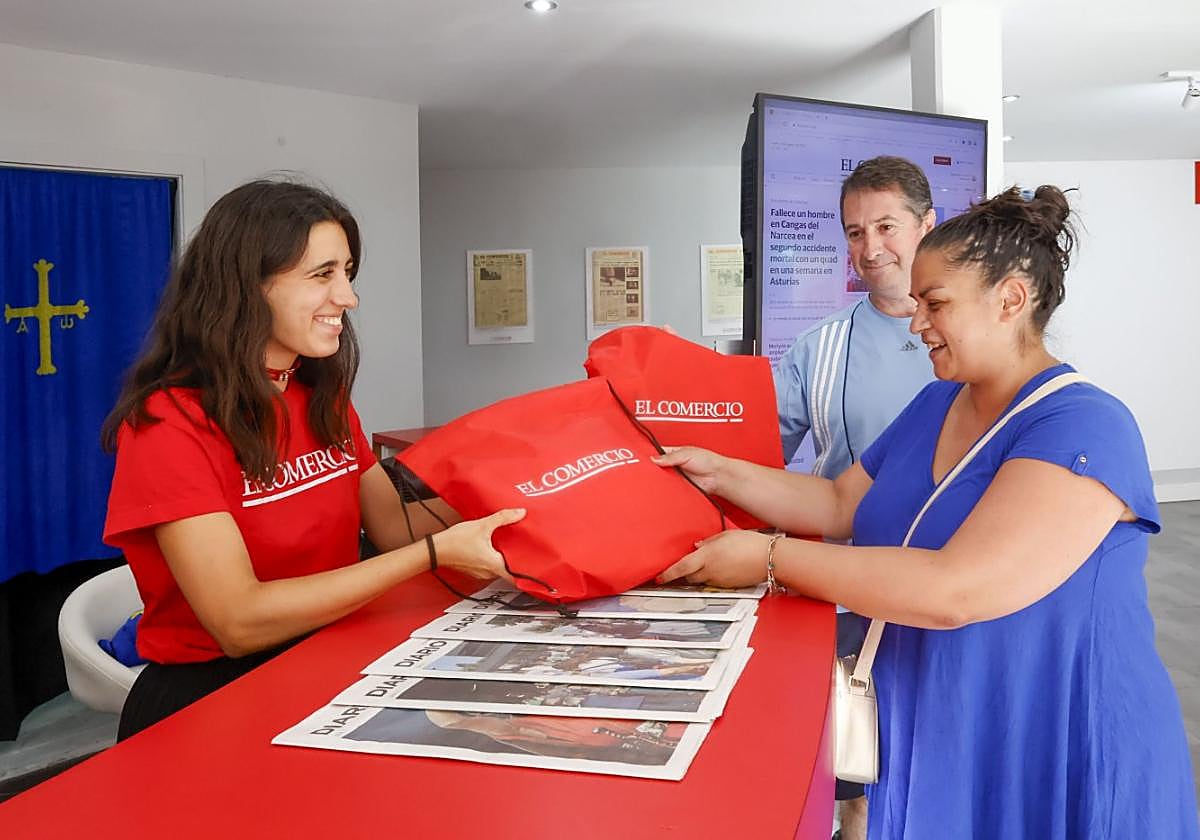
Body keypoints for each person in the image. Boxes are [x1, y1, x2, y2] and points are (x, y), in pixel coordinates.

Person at [655, 186, 1200, 839]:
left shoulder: (1085, 426)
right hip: (942, 714)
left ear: (1011, 300)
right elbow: (837, 503)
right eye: (917, 304)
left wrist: (769, 559)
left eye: (935, 304)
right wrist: (718, 470)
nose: (917, 324)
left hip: (1053, 731)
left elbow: (956, 589)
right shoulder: (937, 406)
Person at [101, 178, 521, 740]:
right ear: (247, 286)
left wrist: (515, 492)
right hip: (211, 698)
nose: (347, 298)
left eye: (347, 272)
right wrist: (433, 554)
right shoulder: (167, 422)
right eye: (322, 275)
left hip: (322, 658)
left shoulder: (317, 395)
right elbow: (238, 622)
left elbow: (394, 527)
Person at [772, 155, 938, 837]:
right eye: (854, 232)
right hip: (850, 599)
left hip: (951, 594)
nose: (870, 250)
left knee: (935, 767)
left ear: (928, 225)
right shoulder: (820, 350)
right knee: (857, 783)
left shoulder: (971, 344)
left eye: (887, 227)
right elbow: (765, 462)